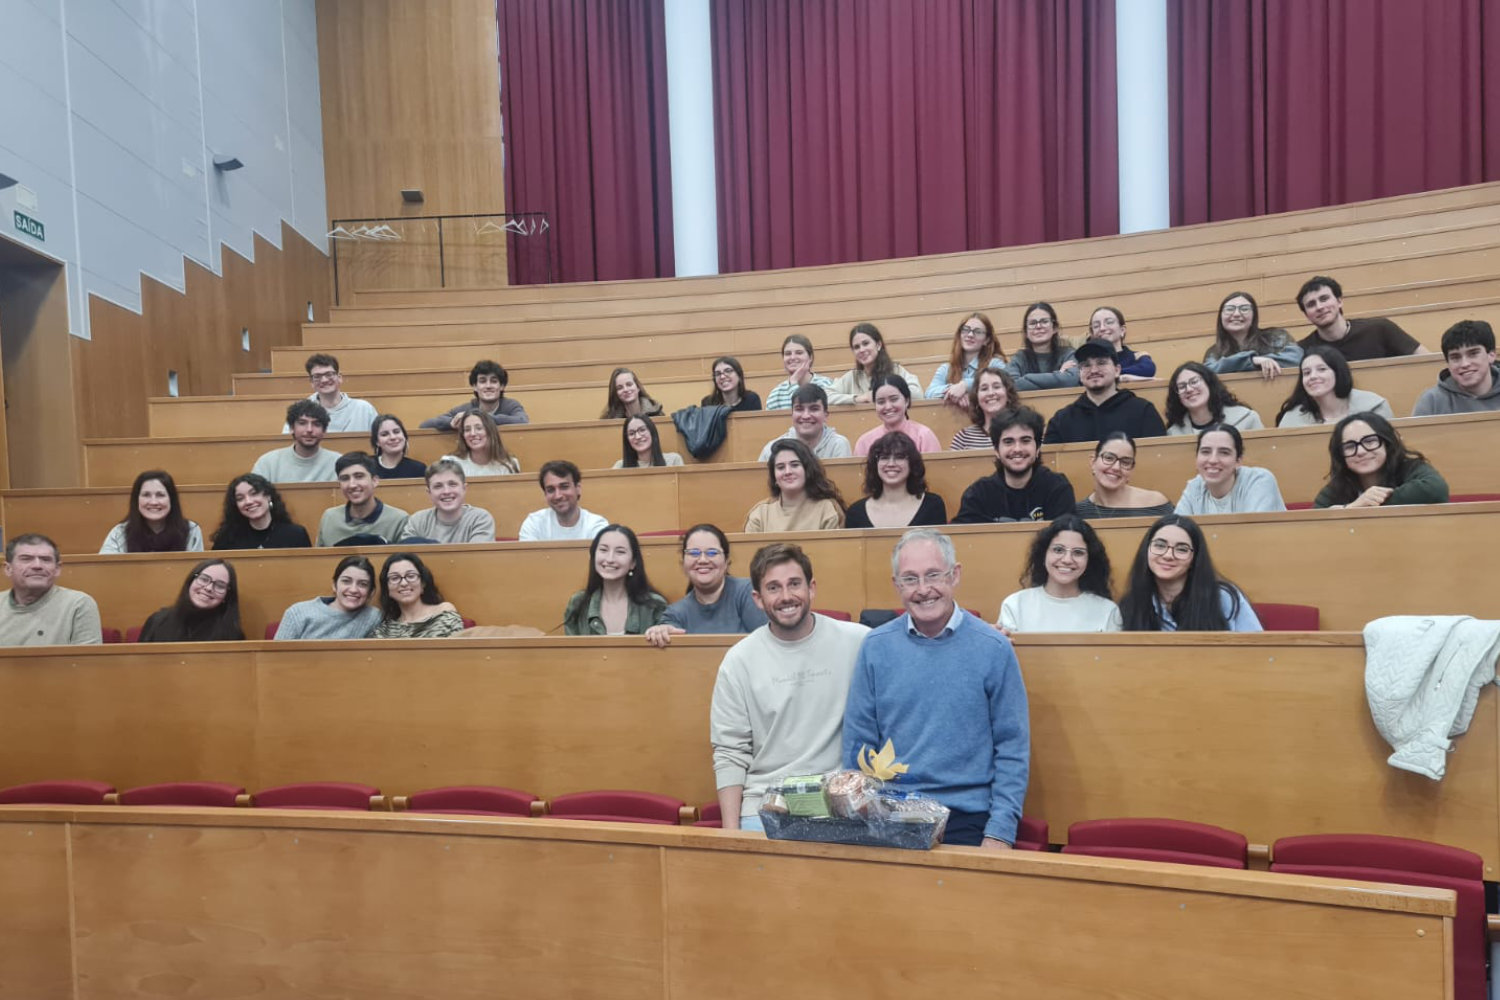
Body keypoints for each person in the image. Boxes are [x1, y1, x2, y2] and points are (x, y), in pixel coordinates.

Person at [842, 528, 1030, 847]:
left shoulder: (994, 648)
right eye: (910, 579)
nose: (923, 589)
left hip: (966, 817)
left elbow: (1012, 748)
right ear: (896, 585)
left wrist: (999, 833)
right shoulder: (875, 647)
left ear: (955, 575)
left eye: (933, 575)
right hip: (890, 815)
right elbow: (857, 745)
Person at [709, 542, 868, 831]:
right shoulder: (738, 661)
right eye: (773, 587)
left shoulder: (859, 642)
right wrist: (731, 835)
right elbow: (730, 752)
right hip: (764, 807)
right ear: (757, 598)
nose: (786, 596)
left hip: (839, 806)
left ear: (812, 588)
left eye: (795, 584)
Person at [1118, 515, 1263, 632]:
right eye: (1160, 545)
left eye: (1181, 549)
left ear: (1194, 559)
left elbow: (1257, 652)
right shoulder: (1130, 604)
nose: (1168, 555)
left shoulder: (1224, 598)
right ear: (1147, 550)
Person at [644, 525, 768, 647]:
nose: (702, 559)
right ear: (683, 564)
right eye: (693, 553)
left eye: (712, 552)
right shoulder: (675, 613)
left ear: (726, 562)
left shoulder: (748, 592)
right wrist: (660, 632)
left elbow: (765, 643)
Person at [998, 515, 1121, 633]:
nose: (1067, 560)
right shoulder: (1015, 604)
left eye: (1078, 552)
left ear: (1090, 560)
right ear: (1043, 554)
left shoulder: (1107, 610)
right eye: (1058, 550)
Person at [953, 406, 1076, 523]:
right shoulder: (978, 494)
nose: (1017, 449)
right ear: (996, 450)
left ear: (1038, 448)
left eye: (1025, 440)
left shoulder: (1057, 488)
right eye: (1008, 442)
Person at [1313, 413, 1450, 509]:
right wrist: (1354, 506)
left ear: (1387, 443)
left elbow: (1435, 489)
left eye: (1370, 441)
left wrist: (1369, 504)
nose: (1360, 451)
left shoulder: (1410, 468)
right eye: (1349, 446)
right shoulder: (1340, 484)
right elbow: (1317, 518)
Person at [1042, 339, 1167, 443]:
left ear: (1117, 370)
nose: (1094, 370)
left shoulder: (1143, 411)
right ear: (1080, 373)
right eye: (1086, 365)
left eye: (1101, 363)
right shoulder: (1062, 420)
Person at [562, 524, 667, 635]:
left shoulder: (655, 606)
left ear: (633, 562)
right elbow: (572, 651)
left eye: (620, 552)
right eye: (603, 550)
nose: (610, 559)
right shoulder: (578, 604)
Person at [1295, 275, 1429, 361]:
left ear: (1339, 301)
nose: (1319, 307)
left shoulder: (1380, 328)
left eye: (1324, 299)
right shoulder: (1302, 350)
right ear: (1306, 314)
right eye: (1311, 304)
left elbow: (1427, 361)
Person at [0, 534, 101, 646]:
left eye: (45, 560)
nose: (37, 565)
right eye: (26, 559)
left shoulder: (78, 604)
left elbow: (87, 662)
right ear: (8, 569)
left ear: (57, 569)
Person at [1174, 424, 1288, 515]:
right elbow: (1176, 531)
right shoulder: (1194, 487)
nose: (1213, 460)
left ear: (1238, 460)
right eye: (1205, 452)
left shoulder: (1259, 480)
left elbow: (1254, 533)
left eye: (1224, 452)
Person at [844, 432, 948, 529]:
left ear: (911, 464)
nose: (891, 464)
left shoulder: (933, 506)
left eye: (899, 457)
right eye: (884, 458)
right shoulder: (855, 512)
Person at [1274, 346, 1395, 427]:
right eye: (1306, 373)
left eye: (1322, 369)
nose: (1313, 376)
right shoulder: (1293, 418)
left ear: (1338, 372)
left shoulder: (1374, 406)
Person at [744, 439, 846, 532]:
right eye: (780, 467)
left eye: (795, 465)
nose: (788, 472)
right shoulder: (760, 513)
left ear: (807, 470)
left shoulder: (827, 508)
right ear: (774, 476)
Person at [274, 554, 382, 640]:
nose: (353, 590)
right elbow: (274, 659)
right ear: (334, 585)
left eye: (362, 584)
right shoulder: (298, 613)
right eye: (346, 581)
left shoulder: (374, 617)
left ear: (371, 592)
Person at [137, 558, 245, 642]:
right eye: (204, 579)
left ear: (227, 596)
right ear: (190, 582)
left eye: (220, 586)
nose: (208, 588)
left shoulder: (233, 634)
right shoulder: (157, 621)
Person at [1202, 290, 1302, 379]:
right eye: (1230, 309)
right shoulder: (1214, 352)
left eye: (1244, 309)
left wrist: (1262, 361)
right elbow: (1206, 372)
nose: (1236, 314)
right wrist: (1252, 360)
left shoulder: (1275, 337)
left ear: (1254, 316)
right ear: (1221, 316)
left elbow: (1296, 358)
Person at [99, 469, 204, 553]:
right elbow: (106, 572)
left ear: (171, 499)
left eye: (160, 495)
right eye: (146, 495)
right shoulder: (119, 533)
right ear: (136, 500)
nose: (153, 502)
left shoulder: (191, 531)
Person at [1073, 432, 1175, 519]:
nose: (1116, 467)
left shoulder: (1156, 504)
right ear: (1093, 462)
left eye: (1125, 462)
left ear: (1131, 470)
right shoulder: (1078, 512)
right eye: (1109, 458)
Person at [317, 452, 410, 545]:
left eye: (359, 476)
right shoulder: (329, 517)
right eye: (345, 478)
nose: (352, 485)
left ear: (375, 480)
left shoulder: (398, 519)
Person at [1412, 320, 1500, 416]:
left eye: (1473, 354)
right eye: (1455, 357)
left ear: (1491, 355)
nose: (1464, 364)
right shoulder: (1431, 401)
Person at [398, 459, 497, 544]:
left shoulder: (480, 519)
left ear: (464, 488)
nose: (446, 491)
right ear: (429, 493)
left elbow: (477, 560)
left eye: (452, 484)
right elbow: (407, 559)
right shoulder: (417, 521)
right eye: (438, 486)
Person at [369, 552, 466, 638]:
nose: (404, 583)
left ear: (423, 583)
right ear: (387, 588)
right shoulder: (383, 631)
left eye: (411, 576)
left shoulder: (443, 613)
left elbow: (460, 654)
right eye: (395, 578)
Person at [210, 474, 313, 550]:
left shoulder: (296, 534)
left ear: (268, 496)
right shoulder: (226, 538)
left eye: (254, 493)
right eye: (240, 498)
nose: (248, 501)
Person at [925, 312, 1007, 406]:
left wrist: (965, 386)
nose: (970, 335)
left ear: (986, 340)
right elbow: (929, 393)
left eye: (978, 332)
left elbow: (1006, 384)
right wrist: (954, 390)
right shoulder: (946, 368)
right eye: (966, 330)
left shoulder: (995, 364)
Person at [282, 353, 377, 433]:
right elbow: (287, 444)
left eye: (329, 374)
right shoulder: (299, 411)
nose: (324, 380)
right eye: (317, 376)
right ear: (311, 382)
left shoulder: (364, 409)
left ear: (339, 377)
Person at [419, 360, 529, 429]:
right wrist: (451, 422)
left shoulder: (511, 405)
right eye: (482, 381)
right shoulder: (467, 408)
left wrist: (481, 418)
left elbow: (522, 421)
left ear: (502, 386)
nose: (488, 385)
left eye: (494, 381)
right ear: (475, 386)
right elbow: (425, 425)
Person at [1163, 361, 1265, 436]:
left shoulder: (1247, 419)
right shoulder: (1174, 433)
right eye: (1181, 387)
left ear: (1209, 384)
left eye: (1194, 382)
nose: (1189, 389)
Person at [518, 460, 610, 541]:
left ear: (578, 489)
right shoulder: (534, 524)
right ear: (545, 494)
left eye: (564, 487)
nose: (558, 496)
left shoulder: (596, 525)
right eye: (551, 490)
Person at [757, 384, 851, 462]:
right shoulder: (772, 450)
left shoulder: (838, 445)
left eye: (814, 409)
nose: (806, 416)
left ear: (825, 415)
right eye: (799, 409)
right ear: (792, 414)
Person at [253, 400, 340, 483]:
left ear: (324, 431)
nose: (309, 430)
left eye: (316, 424)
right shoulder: (268, 462)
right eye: (302, 423)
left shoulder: (338, 462)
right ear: (291, 428)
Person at [833, 322, 922, 403]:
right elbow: (826, 395)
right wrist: (858, 398)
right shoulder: (852, 377)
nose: (861, 350)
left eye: (866, 343)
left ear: (878, 345)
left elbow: (917, 394)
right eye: (856, 347)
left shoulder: (896, 370)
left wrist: (883, 395)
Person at [853, 376, 941, 455]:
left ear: (906, 401)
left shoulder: (923, 436)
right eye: (881, 402)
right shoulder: (864, 442)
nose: (888, 407)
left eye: (894, 399)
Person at [1005, 302, 1078, 390]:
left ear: (1055, 328)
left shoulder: (1068, 354)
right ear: (1026, 332)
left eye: (1044, 321)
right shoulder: (1020, 358)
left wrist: (1025, 378)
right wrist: (1059, 375)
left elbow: (1071, 380)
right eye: (1032, 323)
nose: (1038, 326)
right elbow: (1011, 385)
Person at [765, 334, 844, 409]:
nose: (792, 357)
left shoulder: (827, 385)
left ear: (810, 357)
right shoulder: (775, 394)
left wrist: (793, 382)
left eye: (799, 353)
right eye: (788, 354)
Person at [951, 368, 1021, 450]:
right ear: (976, 397)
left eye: (996, 387)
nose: (990, 393)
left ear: (1008, 394)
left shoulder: (1026, 431)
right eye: (984, 389)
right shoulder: (963, 438)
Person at [442, 409, 519, 478]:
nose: (472, 434)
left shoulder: (509, 464)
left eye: (479, 428)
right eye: (467, 429)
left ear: (490, 431)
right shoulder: (450, 463)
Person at [1087, 306, 1155, 380]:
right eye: (1096, 326)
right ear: (1092, 334)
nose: (1102, 328)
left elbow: (1148, 370)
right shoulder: (1087, 361)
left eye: (1109, 322)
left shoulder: (1138, 356)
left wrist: (1108, 375)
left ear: (1122, 330)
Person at [369, 414, 429, 479]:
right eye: (384, 434)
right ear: (377, 442)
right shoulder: (366, 466)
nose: (393, 437)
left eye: (396, 432)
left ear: (404, 436)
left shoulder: (419, 469)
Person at [613, 415, 684, 468]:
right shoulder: (620, 466)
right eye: (631, 433)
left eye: (642, 430)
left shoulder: (673, 461)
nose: (638, 437)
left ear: (652, 432)